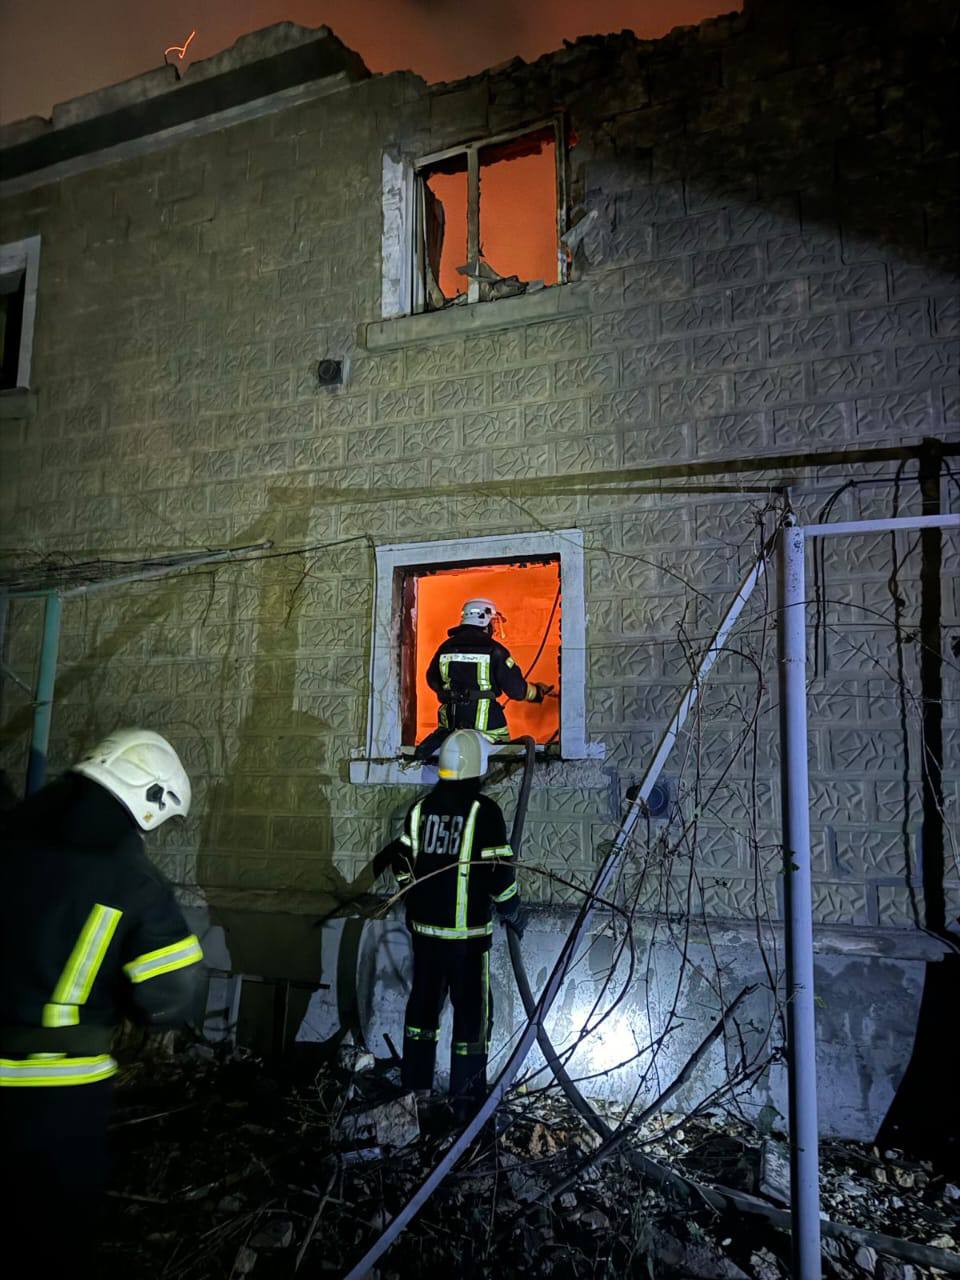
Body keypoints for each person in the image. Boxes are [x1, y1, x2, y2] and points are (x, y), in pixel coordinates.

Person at [0, 729, 204, 1274]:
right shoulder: (130, 878)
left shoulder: (12, 833)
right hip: (55, 1098)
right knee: (48, 1242)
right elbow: (175, 992)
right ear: (149, 797)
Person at [374, 729, 526, 1120]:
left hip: (425, 937)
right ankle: (466, 1105)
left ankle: (415, 1098)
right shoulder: (484, 812)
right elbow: (499, 875)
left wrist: (411, 896)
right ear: (477, 767)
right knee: (472, 1021)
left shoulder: (421, 810)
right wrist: (513, 910)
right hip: (467, 942)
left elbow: (400, 861)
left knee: (422, 1015)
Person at [418, 597, 552, 757]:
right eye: (493, 622)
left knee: (449, 759)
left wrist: (450, 693)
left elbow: (432, 678)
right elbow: (516, 690)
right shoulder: (495, 650)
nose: (494, 628)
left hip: (450, 726)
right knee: (500, 760)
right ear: (484, 620)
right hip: (488, 730)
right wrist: (537, 692)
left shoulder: (445, 648)